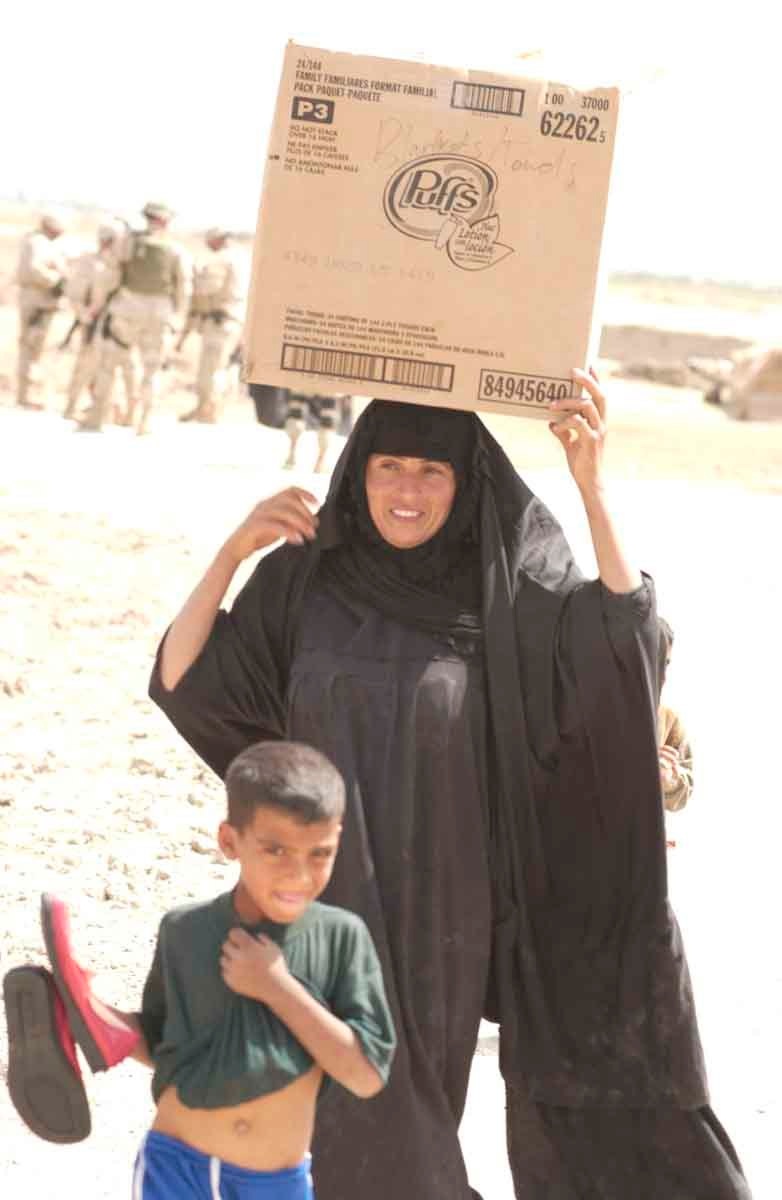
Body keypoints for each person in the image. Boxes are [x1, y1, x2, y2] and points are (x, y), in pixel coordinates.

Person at [144, 373, 750, 1199]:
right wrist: (232, 551)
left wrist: (592, 482)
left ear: (465, 487)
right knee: (326, 1112)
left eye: (433, 472)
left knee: (398, 1105)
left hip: (446, 906)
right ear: (358, 474)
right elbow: (187, 681)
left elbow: (618, 637)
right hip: (319, 895)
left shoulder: (504, 592)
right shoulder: (305, 581)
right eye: (388, 465)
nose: (407, 489)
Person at [4, 741, 395, 1198]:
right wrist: (103, 1019)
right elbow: (169, 1046)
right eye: (275, 850)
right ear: (230, 841)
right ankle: (89, 1015)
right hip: (176, 1167)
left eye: (319, 854)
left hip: (275, 1182)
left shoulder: (342, 938)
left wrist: (276, 987)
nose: (298, 873)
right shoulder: (184, 932)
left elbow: (366, 1075)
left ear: (338, 841)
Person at [78, 201, 190, 435]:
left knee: (109, 365)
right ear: (166, 221)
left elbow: (110, 276)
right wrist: (178, 319)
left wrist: (97, 306)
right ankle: (144, 422)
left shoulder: (128, 242)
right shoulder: (176, 249)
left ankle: (97, 418)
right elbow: (184, 288)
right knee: (151, 369)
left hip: (126, 310)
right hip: (159, 315)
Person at [62, 221, 135, 423]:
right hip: (97, 324)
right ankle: (73, 406)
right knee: (87, 366)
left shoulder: (126, 265)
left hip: (121, 325)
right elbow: (76, 294)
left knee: (123, 368)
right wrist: (85, 316)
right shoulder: (91, 263)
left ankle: (121, 412)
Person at [178, 226, 247, 424]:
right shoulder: (242, 258)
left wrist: (194, 283)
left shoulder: (222, 259)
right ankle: (208, 409)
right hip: (233, 321)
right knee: (222, 367)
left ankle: (207, 411)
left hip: (219, 321)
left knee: (210, 369)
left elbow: (206, 289)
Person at [15, 207, 68, 410]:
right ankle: (25, 395)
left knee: (37, 349)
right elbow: (35, 269)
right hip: (35, 301)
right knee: (30, 346)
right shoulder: (36, 243)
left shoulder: (48, 244)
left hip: (44, 301)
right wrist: (55, 280)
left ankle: (31, 393)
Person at [657, 616, 694, 814]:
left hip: (641, 841)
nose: (663, 677)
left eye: (666, 664)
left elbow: (684, 794)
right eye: (652, 663)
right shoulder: (589, 709)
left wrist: (670, 779)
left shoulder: (669, 719)